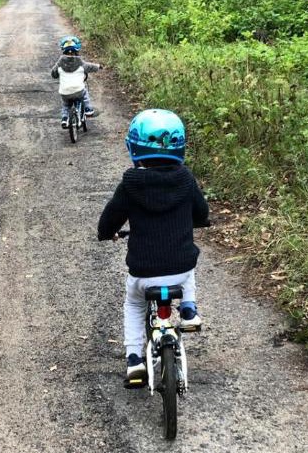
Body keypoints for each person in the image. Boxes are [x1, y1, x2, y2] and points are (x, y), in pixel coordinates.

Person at [97, 109, 209, 383]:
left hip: (143, 272)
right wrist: (199, 220)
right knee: (189, 263)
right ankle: (188, 308)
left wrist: (107, 233)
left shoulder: (131, 184)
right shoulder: (185, 180)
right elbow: (202, 212)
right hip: (180, 272)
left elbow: (110, 219)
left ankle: (134, 360)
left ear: (134, 147)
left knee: (134, 305)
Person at [50, 35, 101, 129]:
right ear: (77, 51)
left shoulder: (60, 63)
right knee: (84, 92)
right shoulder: (80, 62)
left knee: (66, 105)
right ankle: (88, 109)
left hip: (64, 92)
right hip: (78, 90)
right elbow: (90, 66)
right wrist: (98, 66)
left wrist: (56, 73)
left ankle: (65, 119)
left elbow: (53, 73)